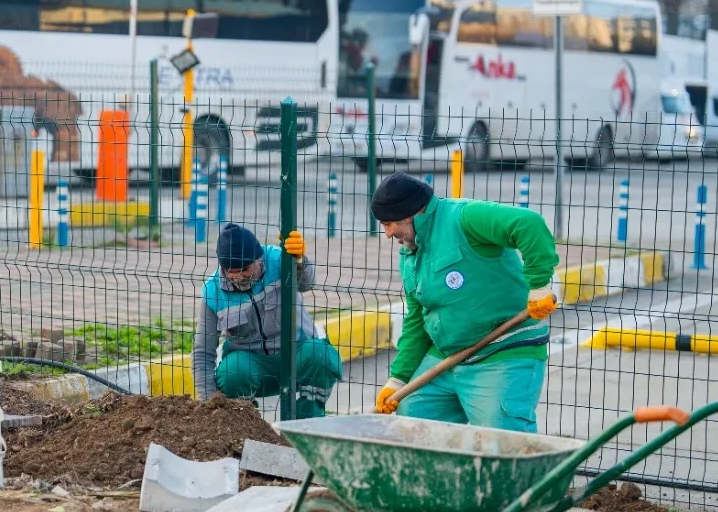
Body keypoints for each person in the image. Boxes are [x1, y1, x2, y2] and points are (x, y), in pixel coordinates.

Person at [372, 173, 560, 431]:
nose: (387, 233)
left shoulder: (464, 218)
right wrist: (398, 378)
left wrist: (539, 285)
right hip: (446, 355)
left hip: (502, 350)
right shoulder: (410, 253)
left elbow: (528, 223)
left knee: (502, 438)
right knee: (412, 417)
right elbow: (417, 320)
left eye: (388, 224)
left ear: (410, 213)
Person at [191, 223, 343, 419]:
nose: (237, 277)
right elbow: (203, 352)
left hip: (296, 355)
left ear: (259, 258)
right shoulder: (213, 292)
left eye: (244, 269)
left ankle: (305, 425)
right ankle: (248, 426)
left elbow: (307, 283)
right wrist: (208, 403)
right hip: (253, 365)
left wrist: (299, 261)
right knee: (231, 374)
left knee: (321, 355)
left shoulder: (278, 260)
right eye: (230, 271)